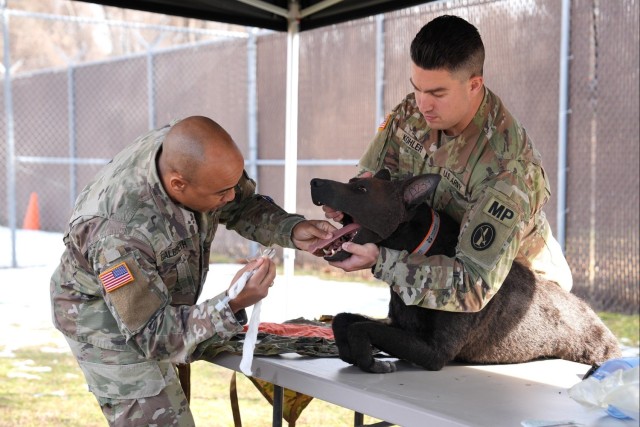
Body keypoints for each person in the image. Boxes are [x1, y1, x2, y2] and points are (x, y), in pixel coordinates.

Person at [50, 116, 335, 426]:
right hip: (102, 314)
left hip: (158, 296)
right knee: (162, 417)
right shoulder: (117, 234)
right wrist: (233, 302)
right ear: (178, 184)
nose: (229, 197)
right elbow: (154, 337)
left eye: (232, 186)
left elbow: (240, 205)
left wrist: (291, 229)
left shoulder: (192, 158)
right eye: (221, 193)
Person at [322, 15, 573, 312]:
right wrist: (349, 209)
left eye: (437, 93)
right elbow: (376, 184)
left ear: (474, 85)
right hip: (438, 268)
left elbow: (473, 286)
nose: (423, 104)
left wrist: (381, 262)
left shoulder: (508, 167)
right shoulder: (411, 114)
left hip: (521, 297)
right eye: (418, 88)